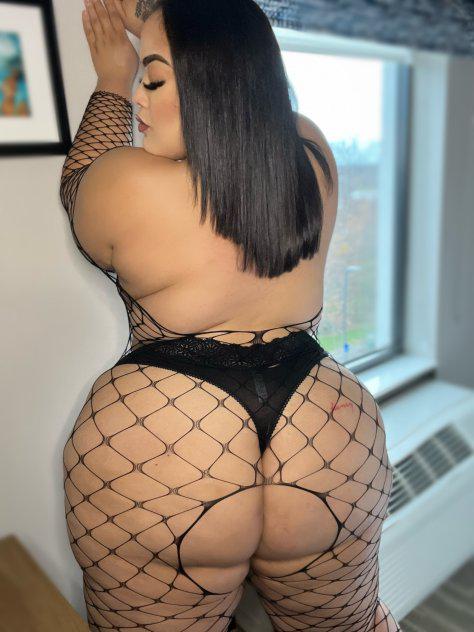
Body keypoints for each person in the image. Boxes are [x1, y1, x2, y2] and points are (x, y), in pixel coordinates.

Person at [60, 1, 400, 630]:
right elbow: (251, 109)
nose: (139, 97)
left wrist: (110, 78)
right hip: (325, 427)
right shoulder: (310, 154)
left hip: (166, 440)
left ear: (212, 83)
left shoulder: (125, 183)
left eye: (153, 80)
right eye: (139, 81)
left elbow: (76, 182)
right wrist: (180, 27)